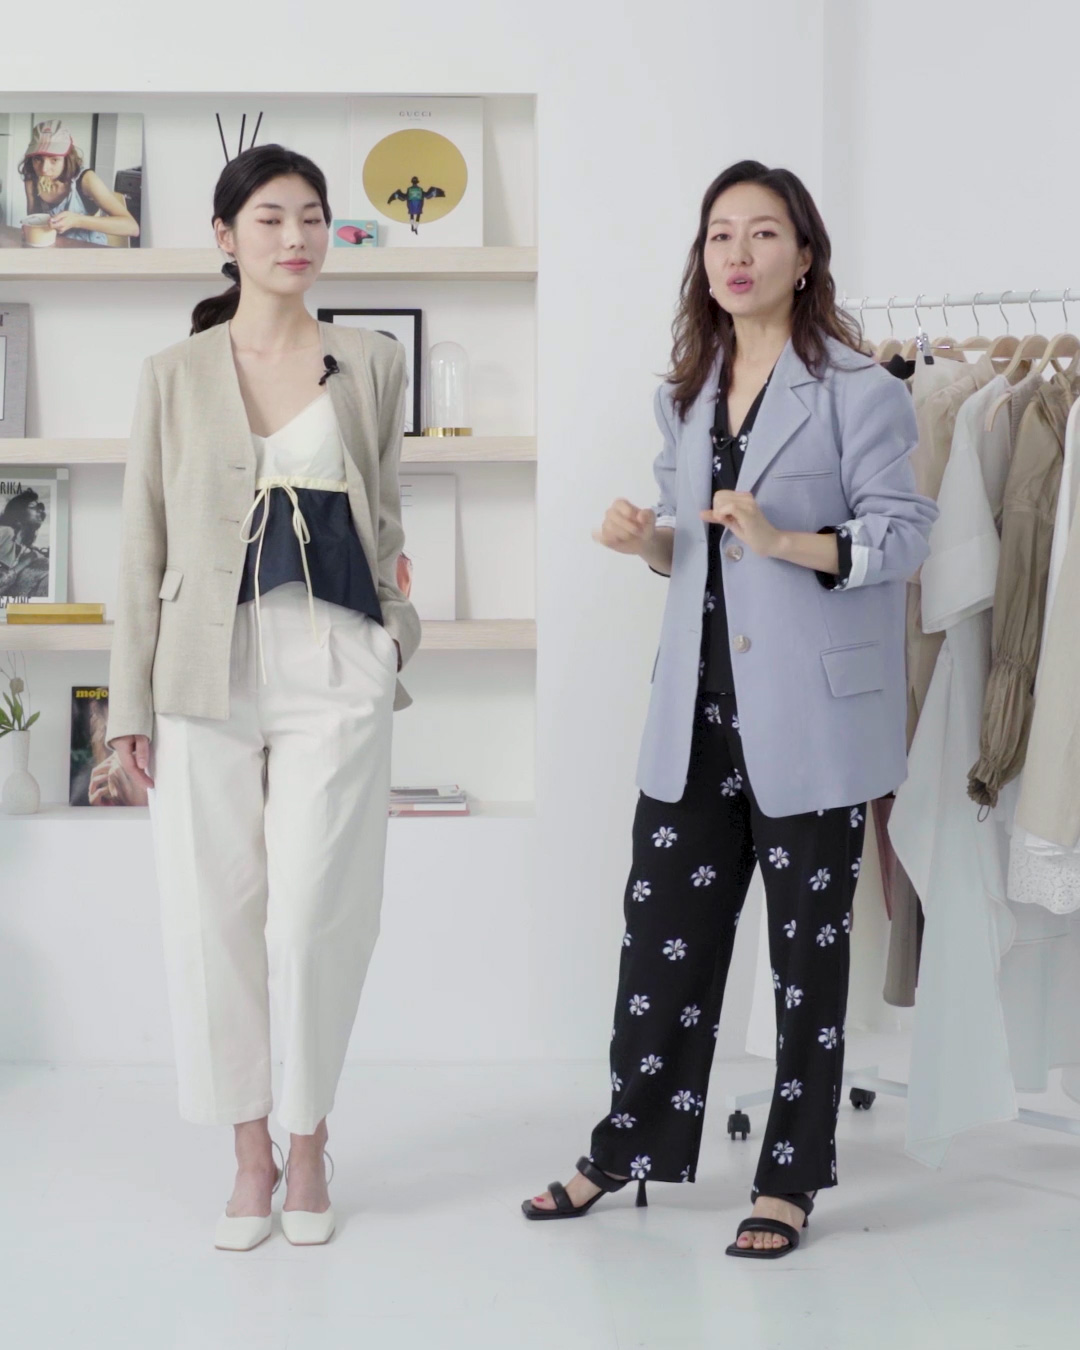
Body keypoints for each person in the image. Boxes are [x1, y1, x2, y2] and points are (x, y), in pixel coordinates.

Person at [522, 160, 937, 1257]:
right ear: (702, 259)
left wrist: (783, 539)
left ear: (804, 256)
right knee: (661, 944)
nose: (738, 254)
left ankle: (790, 1180)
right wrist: (646, 542)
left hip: (812, 723)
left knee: (808, 962)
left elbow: (904, 538)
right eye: (720, 235)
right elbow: (699, 559)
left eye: (762, 233)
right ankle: (626, 1147)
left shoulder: (864, 390)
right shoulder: (684, 395)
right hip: (696, 715)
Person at [104, 143, 420, 1251]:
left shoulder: (370, 361)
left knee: (315, 915)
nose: (296, 237)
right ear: (226, 237)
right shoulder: (173, 373)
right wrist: (129, 709)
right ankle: (249, 1156)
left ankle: (308, 1140)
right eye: (272, 217)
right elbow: (139, 540)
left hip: (335, 659)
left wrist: (393, 638)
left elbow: (386, 513)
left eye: (313, 217)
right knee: (216, 915)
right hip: (204, 669)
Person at [19, 119, 140, 246]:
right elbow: (34, 219)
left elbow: (132, 227)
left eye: (54, 160)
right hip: (54, 249)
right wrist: (29, 230)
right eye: (38, 159)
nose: (44, 169)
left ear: (67, 158)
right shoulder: (31, 181)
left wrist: (77, 220)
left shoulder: (86, 180)